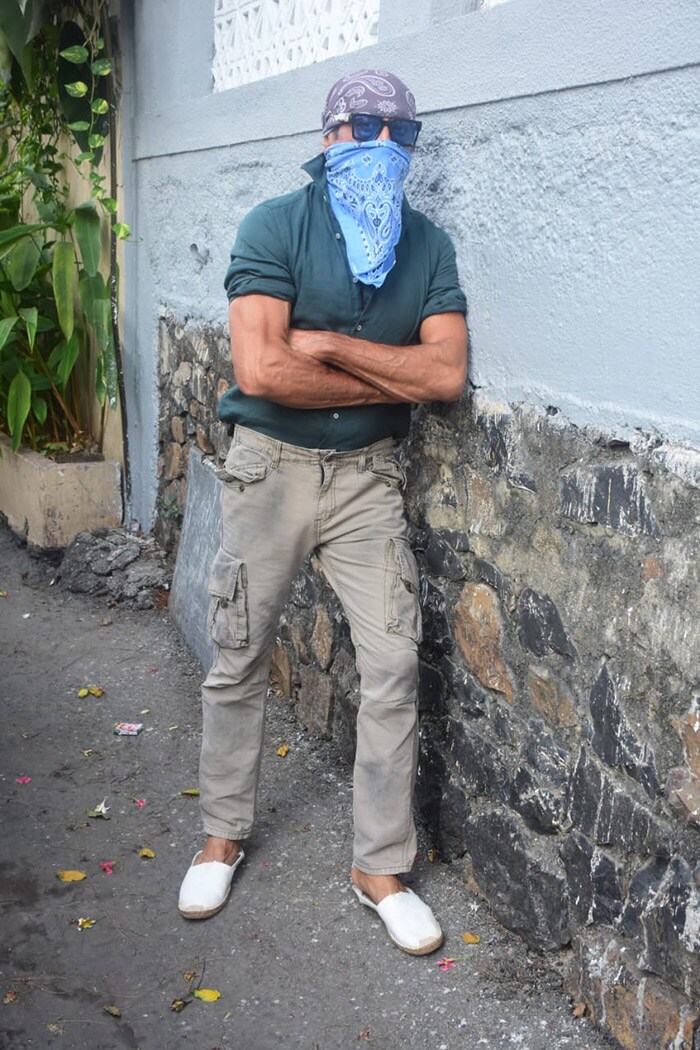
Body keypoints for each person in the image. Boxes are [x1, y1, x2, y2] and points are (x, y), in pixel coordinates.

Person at [178, 69, 468, 955]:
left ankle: (378, 867)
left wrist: (333, 344)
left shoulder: (428, 246)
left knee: (391, 660)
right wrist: (389, 366)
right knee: (239, 652)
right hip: (270, 466)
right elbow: (260, 371)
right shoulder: (275, 225)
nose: (385, 146)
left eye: (403, 134)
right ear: (330, 134)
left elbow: (446, 378)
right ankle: (221, 834)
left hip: (367, 477)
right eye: (367, 127)